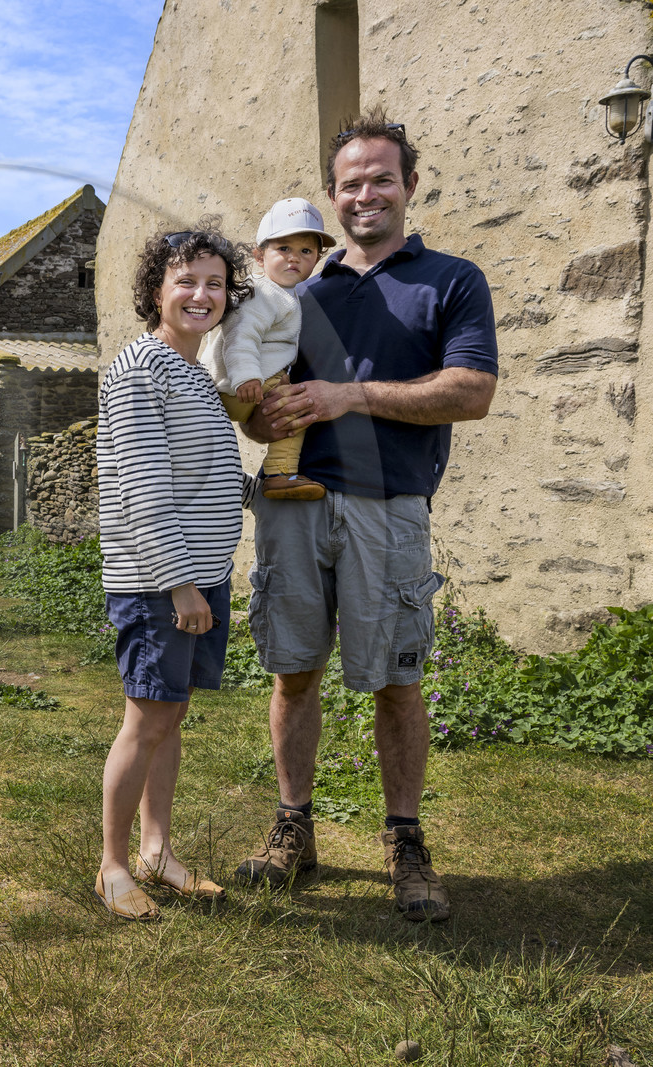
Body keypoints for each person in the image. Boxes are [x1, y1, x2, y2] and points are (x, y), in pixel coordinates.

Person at [235, 110, 499, 922]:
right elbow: (258, 413)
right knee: (293, 670)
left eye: (382, 178)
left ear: (410, 185)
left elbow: (472, 392)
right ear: (332, 196)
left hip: (390, 509)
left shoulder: (451, 280)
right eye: (350, 183)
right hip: (296, 504)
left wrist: (352, 394)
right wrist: (259, 415)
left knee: (396, 681)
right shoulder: (296, 296)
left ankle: (406, 840)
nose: (366, 194)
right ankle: (293, 826)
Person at [93, 225, 249, 921]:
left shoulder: (191, 372)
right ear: (155, 290)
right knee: (147, 716)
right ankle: (114, 866)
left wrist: (261, 490)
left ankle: (157, 849)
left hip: (200, 575)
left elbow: (203, 474)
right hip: (162, 580)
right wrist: (180, 582)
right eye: (186, 280)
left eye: (214, 283)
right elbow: (146, 488)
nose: (201, 294)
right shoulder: (139, 370)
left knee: (171, 713)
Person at [198, 197, 336, 501]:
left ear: (317, 258)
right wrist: (246, 376)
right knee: (297, 406)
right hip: (241, 386)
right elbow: (241, 335)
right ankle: (280, 473)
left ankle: (267, 475)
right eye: (283, 249)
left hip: (245, 386)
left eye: (306, 251)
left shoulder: (287, 294)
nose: (294, 259)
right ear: (259, 256)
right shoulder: (263, 293)